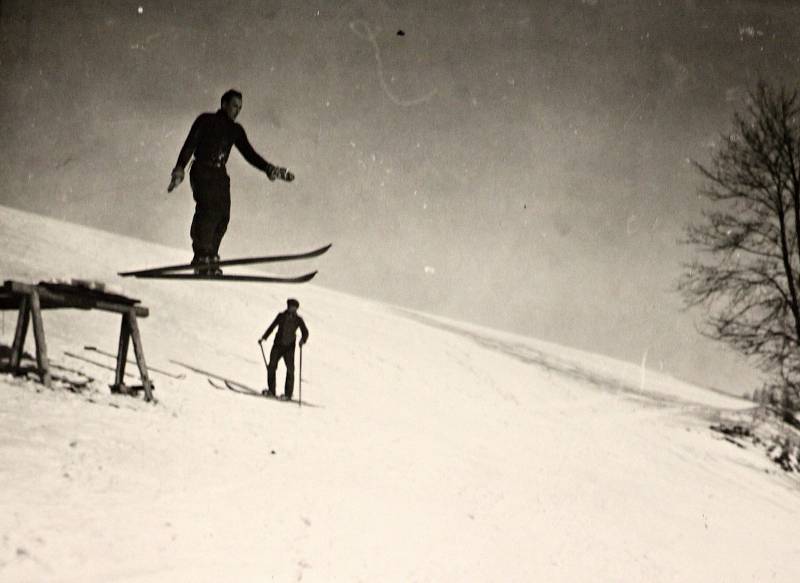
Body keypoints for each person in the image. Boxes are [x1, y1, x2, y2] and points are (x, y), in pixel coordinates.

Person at [167, 89, 295, 274]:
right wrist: (180, 168)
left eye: (240, 108)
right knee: (208, 210)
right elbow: (190, 144)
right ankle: (201, 256)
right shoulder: (206, 120)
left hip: (220, 174)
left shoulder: (235, 130)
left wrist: (269, 168)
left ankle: (211, 256)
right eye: (234, 106)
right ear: (224, 104)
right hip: (202, 169)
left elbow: (250, 154)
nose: (237, 111)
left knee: (223, 216)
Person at [260, 298, 309, 399]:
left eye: (295, 308)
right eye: (291, 307)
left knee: (290, 370)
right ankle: (271, 390)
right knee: (272, 367)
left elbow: (305, 332)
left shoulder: (298, 319)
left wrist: (302, 341)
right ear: (288, 306)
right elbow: (272, 327)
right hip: (277, 345)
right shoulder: (281, 316)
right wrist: (264, 337)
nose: (293, 309)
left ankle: (288, 394)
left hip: (289, 348)